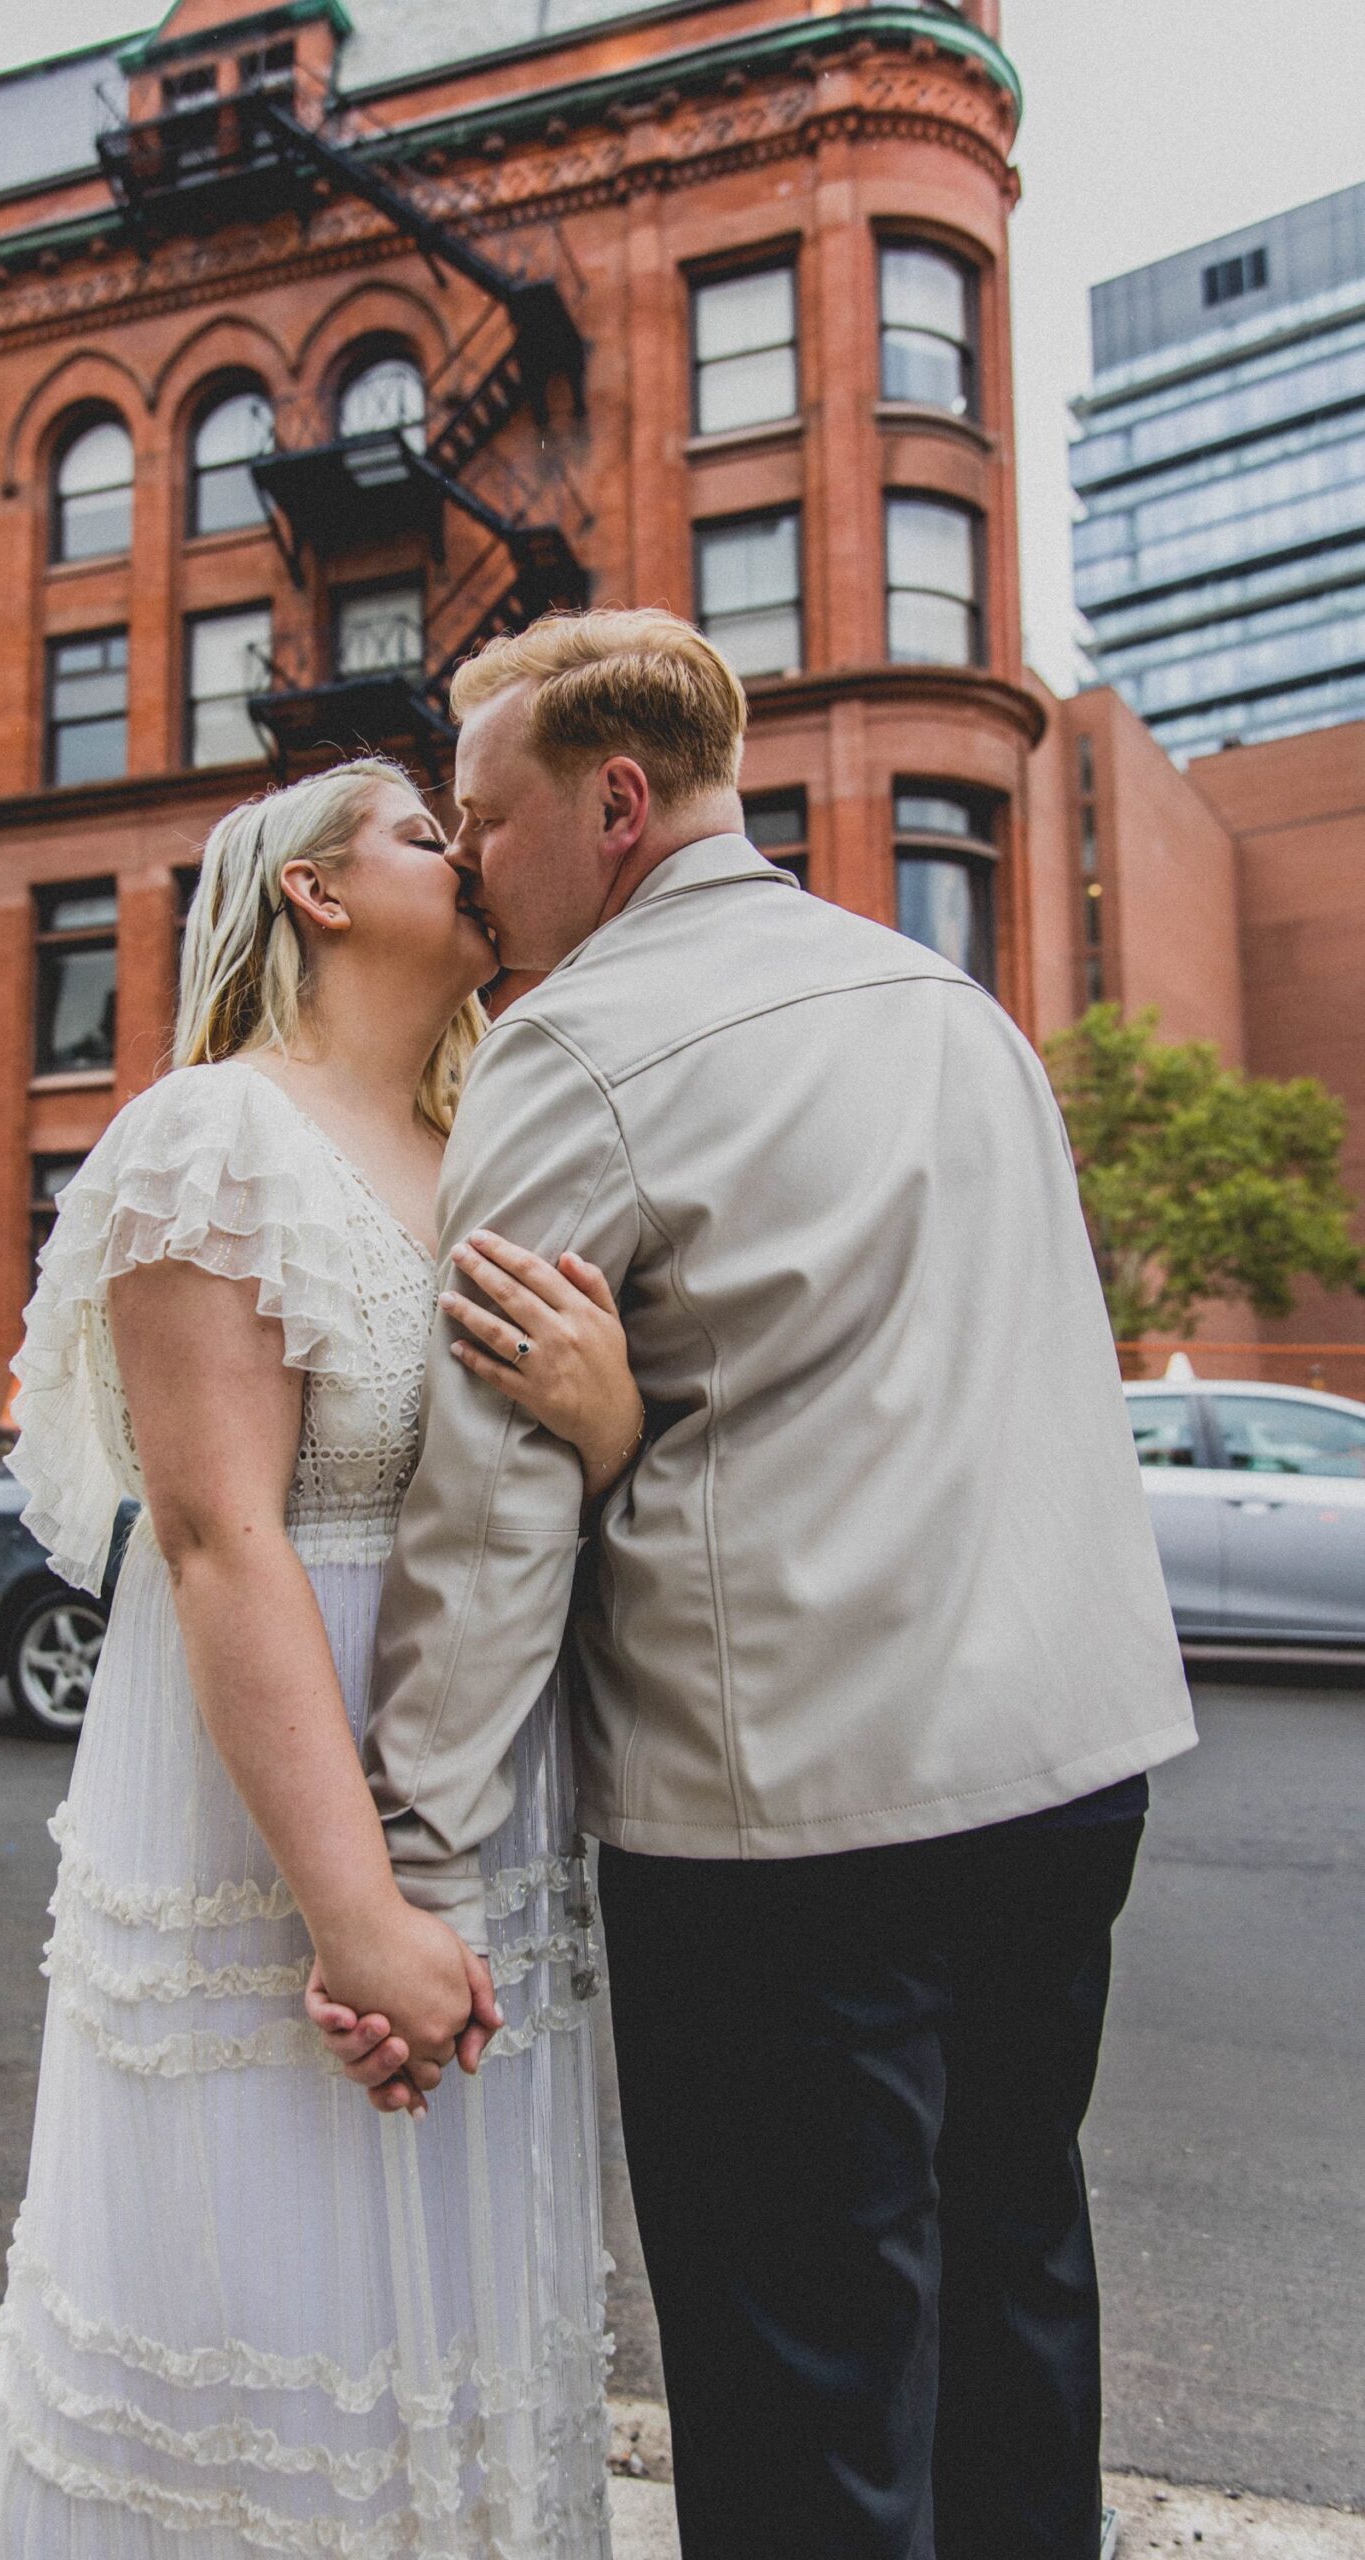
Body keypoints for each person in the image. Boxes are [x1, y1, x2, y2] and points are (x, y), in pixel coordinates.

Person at [314, 609, 1199, 2560]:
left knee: (802, 2362)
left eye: (483, 818)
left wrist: (411, 1864)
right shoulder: (946, 1010)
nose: (467, 864)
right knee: (1010, 2275)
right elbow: (926, 1399)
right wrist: (653, 1435)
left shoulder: (572, 1044)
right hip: (1066, 1767)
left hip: (793, 1814)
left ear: (612, 803)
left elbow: (483, 1506)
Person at [0, 757, 645, 2558]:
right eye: (426, 833)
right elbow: (214, 1536)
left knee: (456, 2300)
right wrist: (359, 1916)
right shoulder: (208, 1140)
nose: (472, 854)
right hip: (282, 1813)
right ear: (314, 895)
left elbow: (561, 1480)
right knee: (278, 2300)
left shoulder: (492, 1141)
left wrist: (610, 1411)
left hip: (491, 1792)